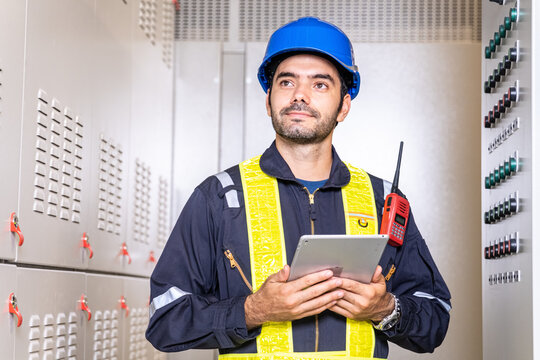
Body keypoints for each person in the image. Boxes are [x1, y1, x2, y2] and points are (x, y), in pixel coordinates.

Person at [146, 17, 451, 360]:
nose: (300, 95)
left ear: (344, 106)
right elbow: (165, 318)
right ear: (268, 100)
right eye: (287, 82)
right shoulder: (220, 197)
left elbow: (436, 317)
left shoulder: (383, 200)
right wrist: (253, 310)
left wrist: (386, 309)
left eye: (320, 85)